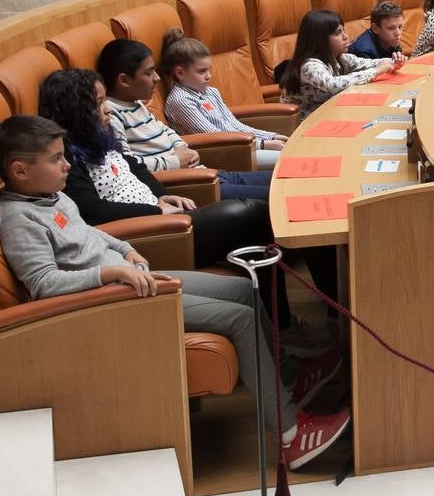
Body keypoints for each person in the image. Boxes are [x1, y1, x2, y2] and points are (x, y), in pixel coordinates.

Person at [0, 115, 350, 472]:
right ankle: (291, 435)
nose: (66, 164)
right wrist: (111, 272)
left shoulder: (50, 196)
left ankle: (284, 379)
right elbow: (44, 284)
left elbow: (90, 233)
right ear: (20, 170)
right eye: (55, 159)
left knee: (244, 287)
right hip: (111, 300)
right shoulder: (17, 218)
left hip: (131, 278)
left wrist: (125, 248)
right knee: (239, 319)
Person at [38, 68, 335, 333]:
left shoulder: (99, 139)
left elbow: (135, 166)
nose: (106, 109)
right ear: (77, 109)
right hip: (151, 233)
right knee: (252, 213)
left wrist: (163, 193)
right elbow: (92, 211)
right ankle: (293, 325)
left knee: (278, 207)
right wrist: (154, 208)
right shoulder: (67, 159)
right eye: (98, 102)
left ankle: (291, 323)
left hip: (163, 213)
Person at [96, 39, 273, 202]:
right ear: (124, 80)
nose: (157, 78)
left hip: (205, 172)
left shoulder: (136, 104)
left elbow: (166, 130)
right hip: (187, 183)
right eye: (149, 73)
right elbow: (127, 164)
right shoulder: (112, 114)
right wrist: (177, 161)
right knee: (274, 195)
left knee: (285, 178)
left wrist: (182, 147)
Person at [158, 29, 288, 171]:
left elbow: (234, 125)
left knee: (289, 149)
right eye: (202, 71)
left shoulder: (210, 92)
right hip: (218, 155)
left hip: (239, 146)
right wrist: (263, 144)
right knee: (286, 160)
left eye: (209, 70)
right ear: (180, 72)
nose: (208, 76)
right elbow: (215, 136)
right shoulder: (180, 101)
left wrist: (271, 137)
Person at [278, 9, 396, 117]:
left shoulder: (340, 58)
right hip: (303, 128)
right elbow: (333, 85)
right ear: (320, 39)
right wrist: (376, 71)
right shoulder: (309, 66)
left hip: (330, 117)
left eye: (343, 30)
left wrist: (392, 61)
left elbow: (368, 63)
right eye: (338, 33)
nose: (346, 36)